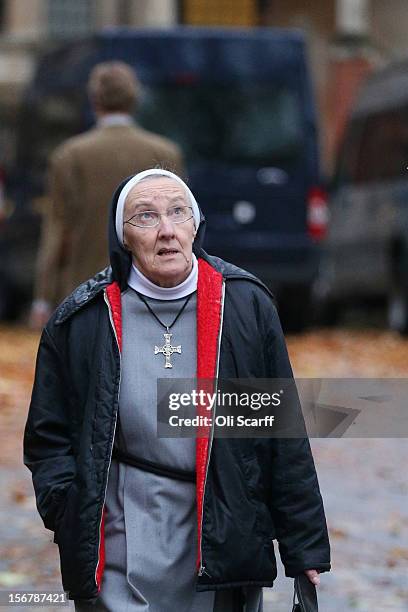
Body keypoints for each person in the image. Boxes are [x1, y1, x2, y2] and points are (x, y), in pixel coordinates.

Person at [24, 169, 331, 611]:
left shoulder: (243, 304)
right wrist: (68, 512)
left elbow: (281, 437)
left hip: (222, 527)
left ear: (196, 224)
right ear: (123, 236)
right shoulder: (83, 319)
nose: (166, 230)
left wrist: (305, 547)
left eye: (177, 212)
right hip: (121, 532)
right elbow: (47, 436)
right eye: (145, 217)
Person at [29, 61, 184, 329]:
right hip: (153, 288)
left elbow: (58, 230)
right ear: (135, 98)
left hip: (84, 290)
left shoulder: (70, 155)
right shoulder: (165, 153)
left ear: (94, 99)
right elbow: (182, 226)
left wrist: (43, 298)